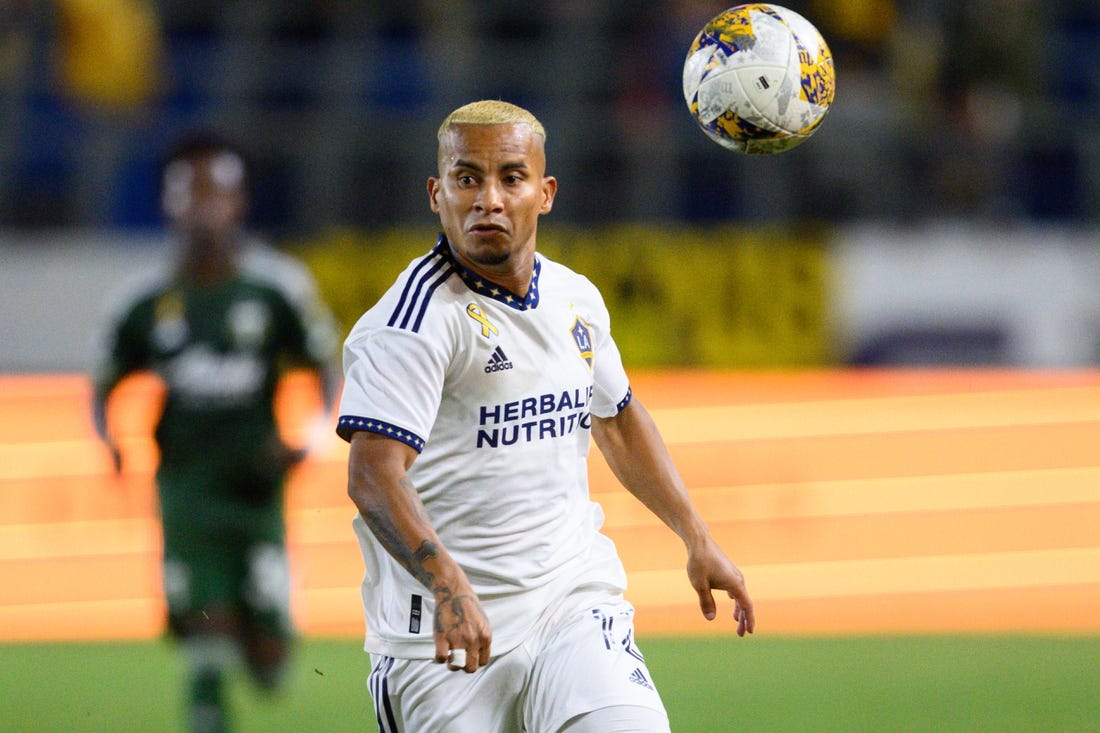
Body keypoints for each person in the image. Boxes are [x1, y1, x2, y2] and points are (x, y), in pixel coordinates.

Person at [337, 100, 755, 733]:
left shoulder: (574, 298)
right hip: (446, 637)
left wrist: (696, 536)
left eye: (511, 176)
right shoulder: (412, 324)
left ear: (545, 192)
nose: (489, 199)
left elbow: (616, 419)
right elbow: (372, 475)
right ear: (436, 192)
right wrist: (448, 585)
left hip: (571, 603)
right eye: (466, 177)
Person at [91, 131, 341, 733]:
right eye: (190, 192)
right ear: (169, 204)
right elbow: (105, 383)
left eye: (217, 191)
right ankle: (207, 713)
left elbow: (325, 369)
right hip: (186, 485)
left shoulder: (276, 286)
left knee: (270, 665)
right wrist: (112, 442)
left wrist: (304, 437)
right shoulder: (145, 301)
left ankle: (273, 622)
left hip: (256, 483)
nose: (204, 205)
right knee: (204, 621)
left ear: (240, 201)